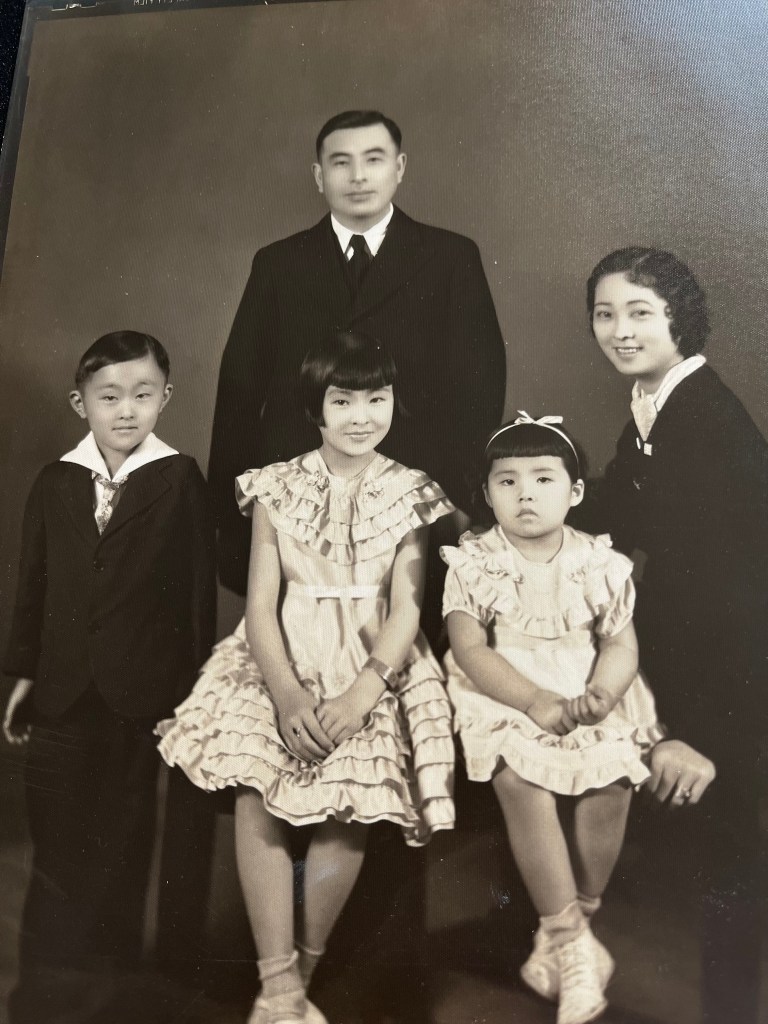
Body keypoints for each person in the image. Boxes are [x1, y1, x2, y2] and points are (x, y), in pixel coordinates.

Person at [158, 330, 456, 1024]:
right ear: (314, 409)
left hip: (370, 660)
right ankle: (277, 983)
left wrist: (363, 691)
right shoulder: (274, 488)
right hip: (281, 654)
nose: (361, 415)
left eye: (376, 399)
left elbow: (408, 608)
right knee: (257, 793)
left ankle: (305, 968)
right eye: (343, 400)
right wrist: (287, 692)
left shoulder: (411, 493)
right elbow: (260, 605)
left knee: (347, 809)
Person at [208, 109, 506, 614]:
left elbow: (480, 385)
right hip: (299, 497)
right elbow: (239, 390)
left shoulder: (451, 256)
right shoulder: (279, 263)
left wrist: (463, 496)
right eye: (341, 163)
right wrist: (226, 514)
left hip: (416, 490)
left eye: (374, 159)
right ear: (319, 176)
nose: (359, 176)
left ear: (400, 167)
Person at [2, 331, 217, 1024]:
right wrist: (24, 675)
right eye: (109, 397)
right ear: (81, 403)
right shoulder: (56, 481)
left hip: (139, 695)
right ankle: (42, 992)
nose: (126, 410)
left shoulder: (179, 478)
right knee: (57, 843)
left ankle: (115, 992)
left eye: (143, 395)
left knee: (124, 840)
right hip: (62, 692)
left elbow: (194, 597)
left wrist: (189, 695)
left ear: (166, 398)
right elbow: (32, 585)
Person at [587, 247, 767, 1024]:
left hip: (740, 674)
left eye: (640, 313)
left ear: (679, 319)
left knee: (736, 853)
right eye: (605, 314)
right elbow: (620, 512)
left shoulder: (708, 419)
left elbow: (740, 595)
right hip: (702, 658)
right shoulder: (653, 402)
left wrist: (700, 736)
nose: (620, 331)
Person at [442, 413, 660, 1024]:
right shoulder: (476, 560)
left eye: (542, 479)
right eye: (506, 483)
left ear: (576, 491)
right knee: (522, 779)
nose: (525, 494)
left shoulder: (597, 562)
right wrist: (535, 702)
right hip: (505, 689)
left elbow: (620, 643)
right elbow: (470, 649)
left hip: (581, 683)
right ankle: (573, 946)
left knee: (613, 781)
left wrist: (603, 692)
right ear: (486, 495)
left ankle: (572, 927)